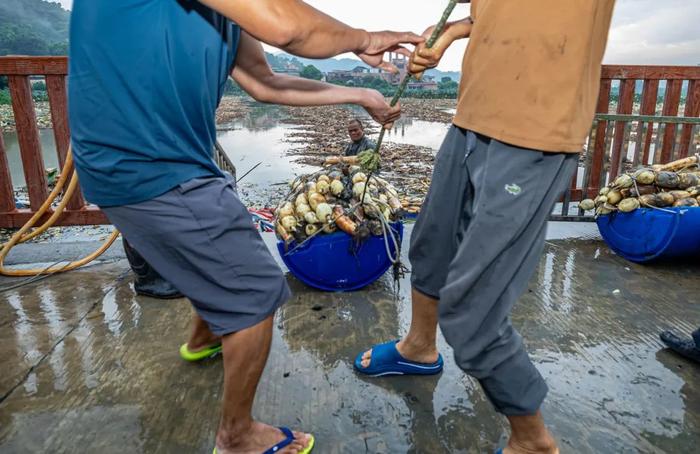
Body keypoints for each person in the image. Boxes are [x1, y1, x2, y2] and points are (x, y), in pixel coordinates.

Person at [68, 1, 423, 453]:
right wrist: (367, 39)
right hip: (151, 165)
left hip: (172, 163)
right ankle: (237, 436)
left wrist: (362, 95)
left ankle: (203, 339)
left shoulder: (226, 15)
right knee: (256, 290)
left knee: (222, 243)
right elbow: (287, 27)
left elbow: (263, 82)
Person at [354, 1, 616, 453]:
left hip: (536, 129)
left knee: (473, 309)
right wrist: (452, 32)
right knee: (432, 245)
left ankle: (532, 439)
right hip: (471, 117)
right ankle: (419, 347)